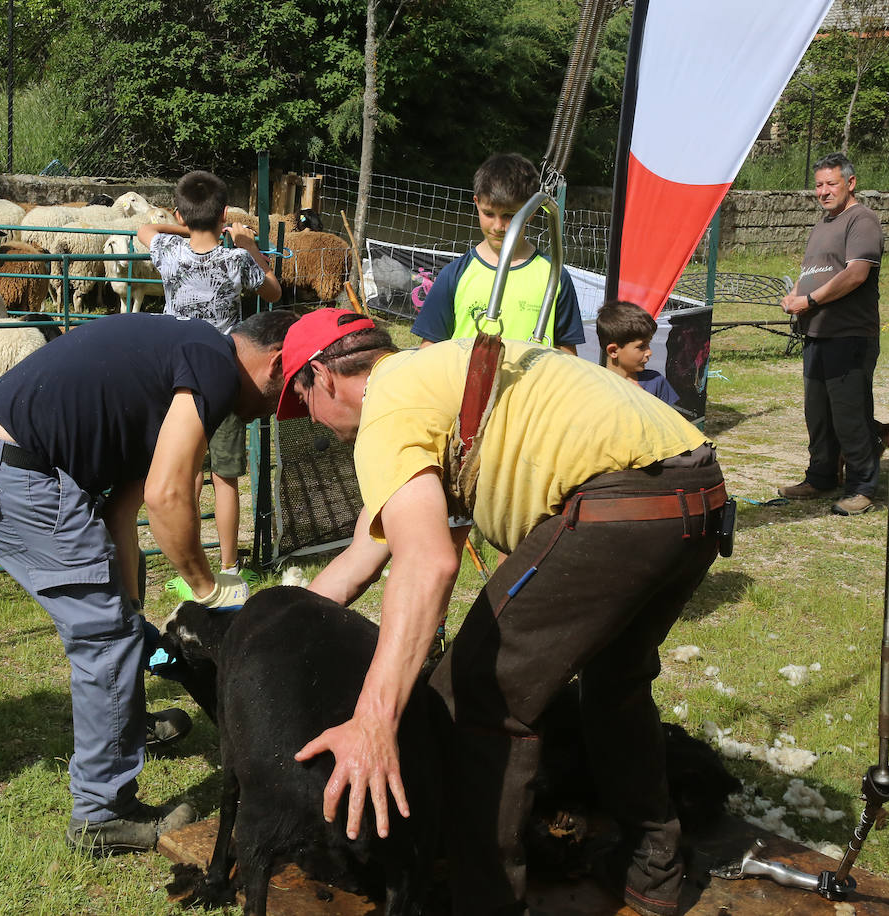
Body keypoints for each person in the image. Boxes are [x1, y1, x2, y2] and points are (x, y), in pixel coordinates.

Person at [278, 308, 729, 916]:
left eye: (301, 402)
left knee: (474, 696)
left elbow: (428, 564)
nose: (312, 420)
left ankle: (484, 902)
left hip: (616, 506)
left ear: (322, 377)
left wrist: (372, 720)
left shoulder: (387, 406)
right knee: (615, 687)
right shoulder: (427, 377)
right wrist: (275, 625)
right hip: (694, 495)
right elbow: (370, 548)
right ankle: (653, 870)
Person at [0, 309, 293, 855]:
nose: (269, 410)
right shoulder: (215, 365)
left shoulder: (174, 367)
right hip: (14, 471)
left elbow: (122, 513)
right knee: (106, 637)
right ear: (275, 363)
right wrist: (211, 593)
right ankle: (102, 814)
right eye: (281, 396)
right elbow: (168, 498)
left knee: (117, 625)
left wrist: (131, 610)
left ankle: (122, 726)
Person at [137, 171, 282, 576]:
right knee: (225, 478)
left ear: (182, 216)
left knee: (183, 476)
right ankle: (230, 567)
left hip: (177, 377)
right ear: (223, 214)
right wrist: (249, 244)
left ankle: (190, 568)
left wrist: (180, 223)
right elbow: (273, 290)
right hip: (223, 374)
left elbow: (142, 229)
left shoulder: (169, 250)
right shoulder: (235, 259)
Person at [778, 152, 885, 516]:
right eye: (819, 184)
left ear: (850, 183)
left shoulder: (862, 220)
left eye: (831, 184)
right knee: (818, 413)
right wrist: (796, 297)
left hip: (849, 335)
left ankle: (862, 486)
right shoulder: (824, 222)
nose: (823, 191)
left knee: (849, 414)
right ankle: (821, 476)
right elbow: (820, 270)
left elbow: (855, 274)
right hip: (818, 335)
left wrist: (808, 299)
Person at [412, 152, 583, 354]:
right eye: (489, 213)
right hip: (464, 384)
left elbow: (567, 356)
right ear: (477, 203)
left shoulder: (553, 276)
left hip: (531, 386)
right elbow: (429, 350)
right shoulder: (454, 275)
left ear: (532, 210)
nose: (498, 226)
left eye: (510, 215)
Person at [597, 300, 680, 406]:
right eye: (641, 347)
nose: (649, 352)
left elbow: (669, 421)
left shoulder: (656, 381)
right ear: (613, 351)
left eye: (648, 344)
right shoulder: (595, 386)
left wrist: (644, 402)